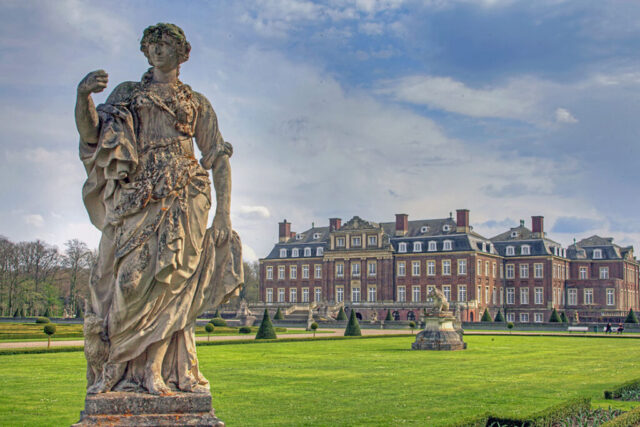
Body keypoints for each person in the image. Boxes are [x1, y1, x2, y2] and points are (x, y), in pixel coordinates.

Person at [75, 23, 243, 395]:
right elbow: (92, 136)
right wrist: (83, 96)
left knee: (173, 285)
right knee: (128, 282)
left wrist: (224, 214)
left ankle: (153, 370)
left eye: (164, 44)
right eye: (151, 44)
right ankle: (117, 367)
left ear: (183, 52)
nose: (156, 49)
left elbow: (217, 157)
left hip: (186, 195)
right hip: (139, 194)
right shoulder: (128, 94)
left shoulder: (196, 102)